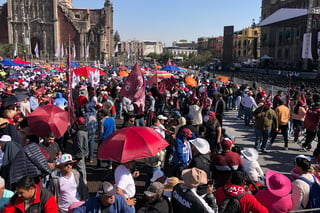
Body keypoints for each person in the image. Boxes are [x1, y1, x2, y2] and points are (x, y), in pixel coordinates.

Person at [71, 117, 89, 184]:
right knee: (83, 167)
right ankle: (84, 179)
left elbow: (79, 145)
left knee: (80, 167)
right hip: (84, 152)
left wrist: (76, 155)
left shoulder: (79, 133)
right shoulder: (85, 130)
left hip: (79, 154)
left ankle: (82, 181)